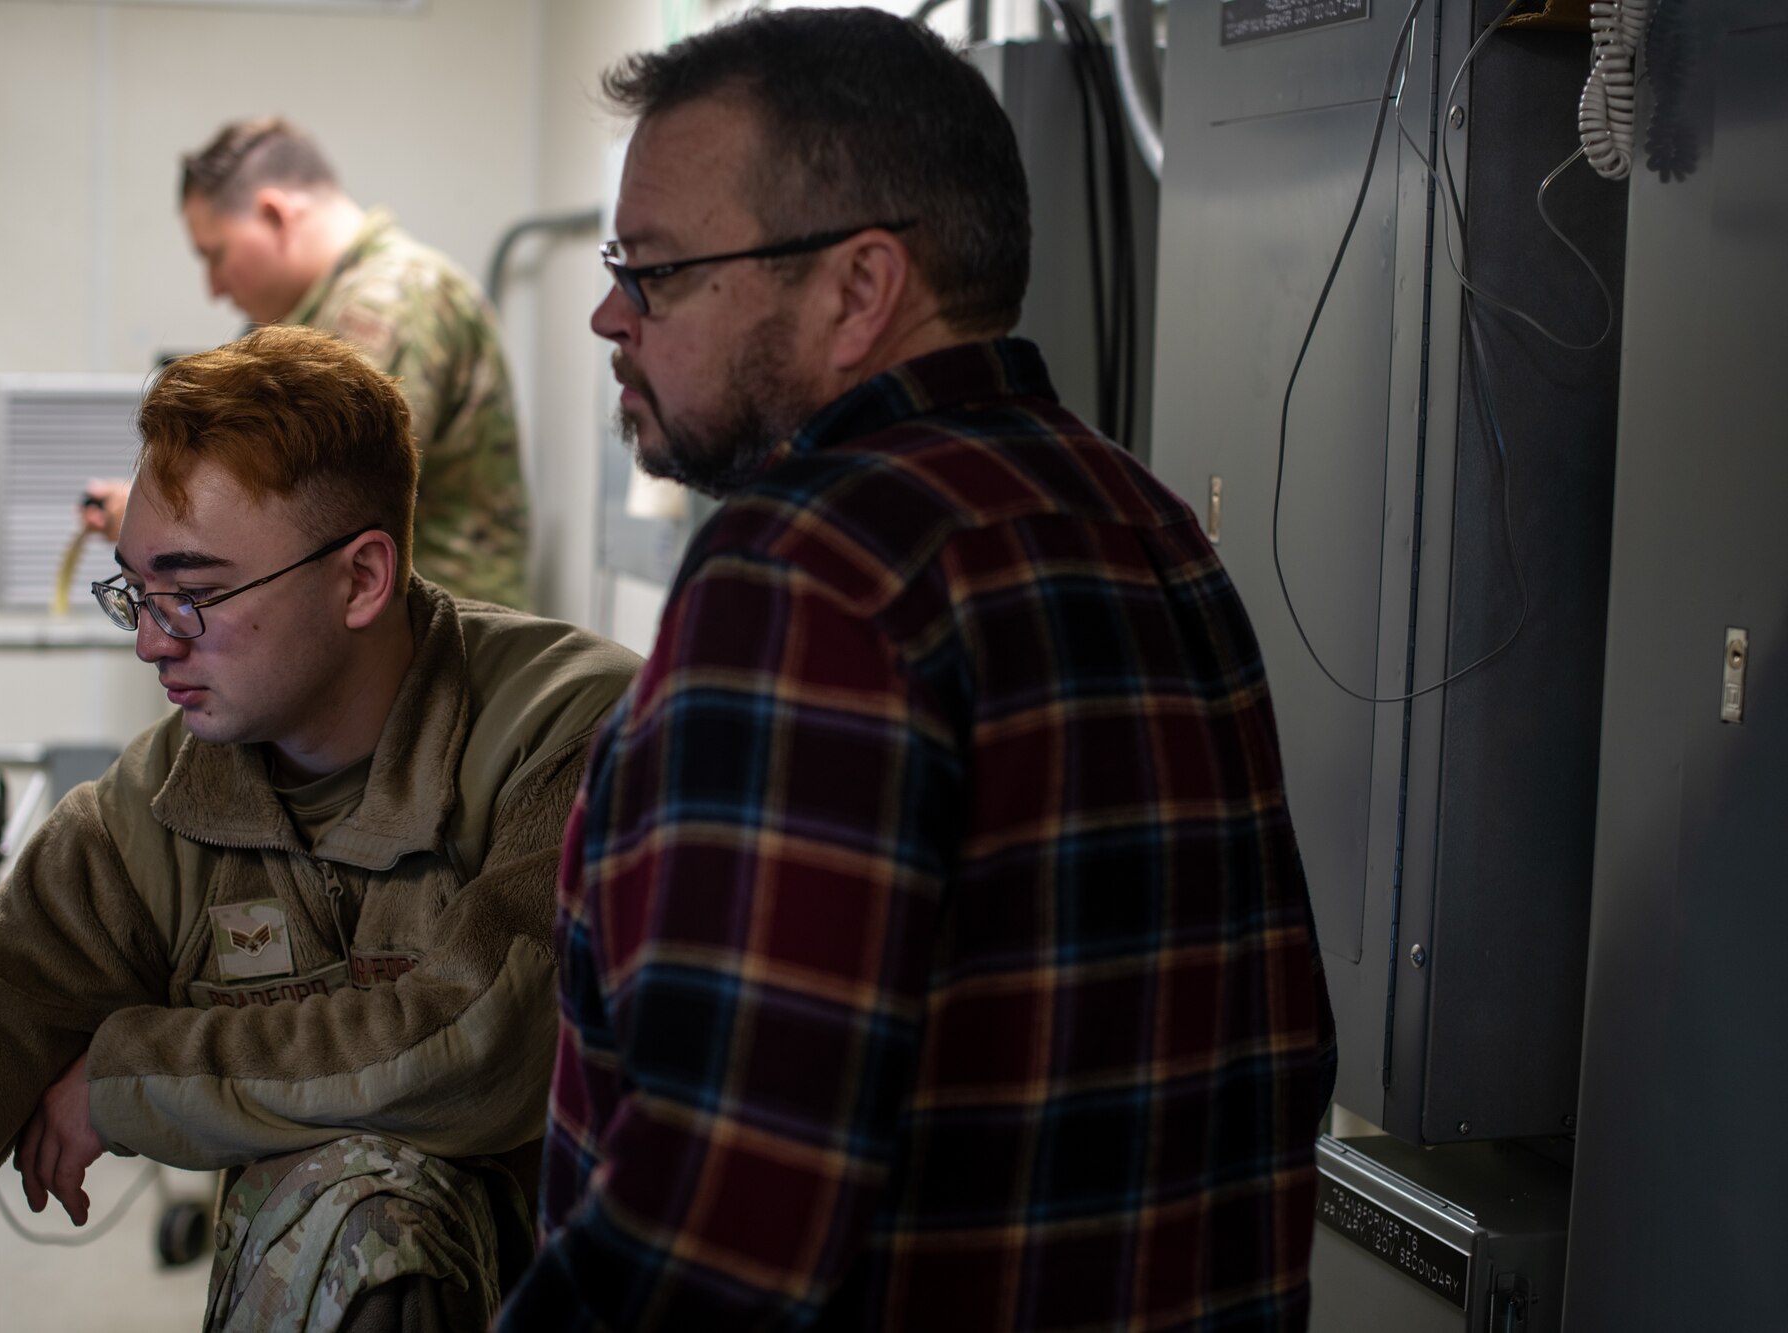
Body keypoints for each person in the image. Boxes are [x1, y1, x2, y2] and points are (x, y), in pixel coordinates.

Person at [496, 9, 1338, 1332]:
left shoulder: (805, 579)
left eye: (653, 270)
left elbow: (718, 1227)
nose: (611, 313)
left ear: (858, 288)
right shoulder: (1151, 531)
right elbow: (1257, 1072)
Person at [0, 325, 639, 1331]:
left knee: (368, 1193)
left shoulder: (570, 729)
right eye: (137, 591)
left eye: (192, 594)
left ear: (363, 578)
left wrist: (126, 1077)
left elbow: (485, 1036)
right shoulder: (148, 818)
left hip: (587, 1283)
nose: (151, 640)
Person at [84, 117, 529, 608]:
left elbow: (313, 495)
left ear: (274, 215)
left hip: (442, 644)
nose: (214, 287)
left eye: (216, 254)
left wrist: (156, 513)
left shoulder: (390, 302)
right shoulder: (332, 308)